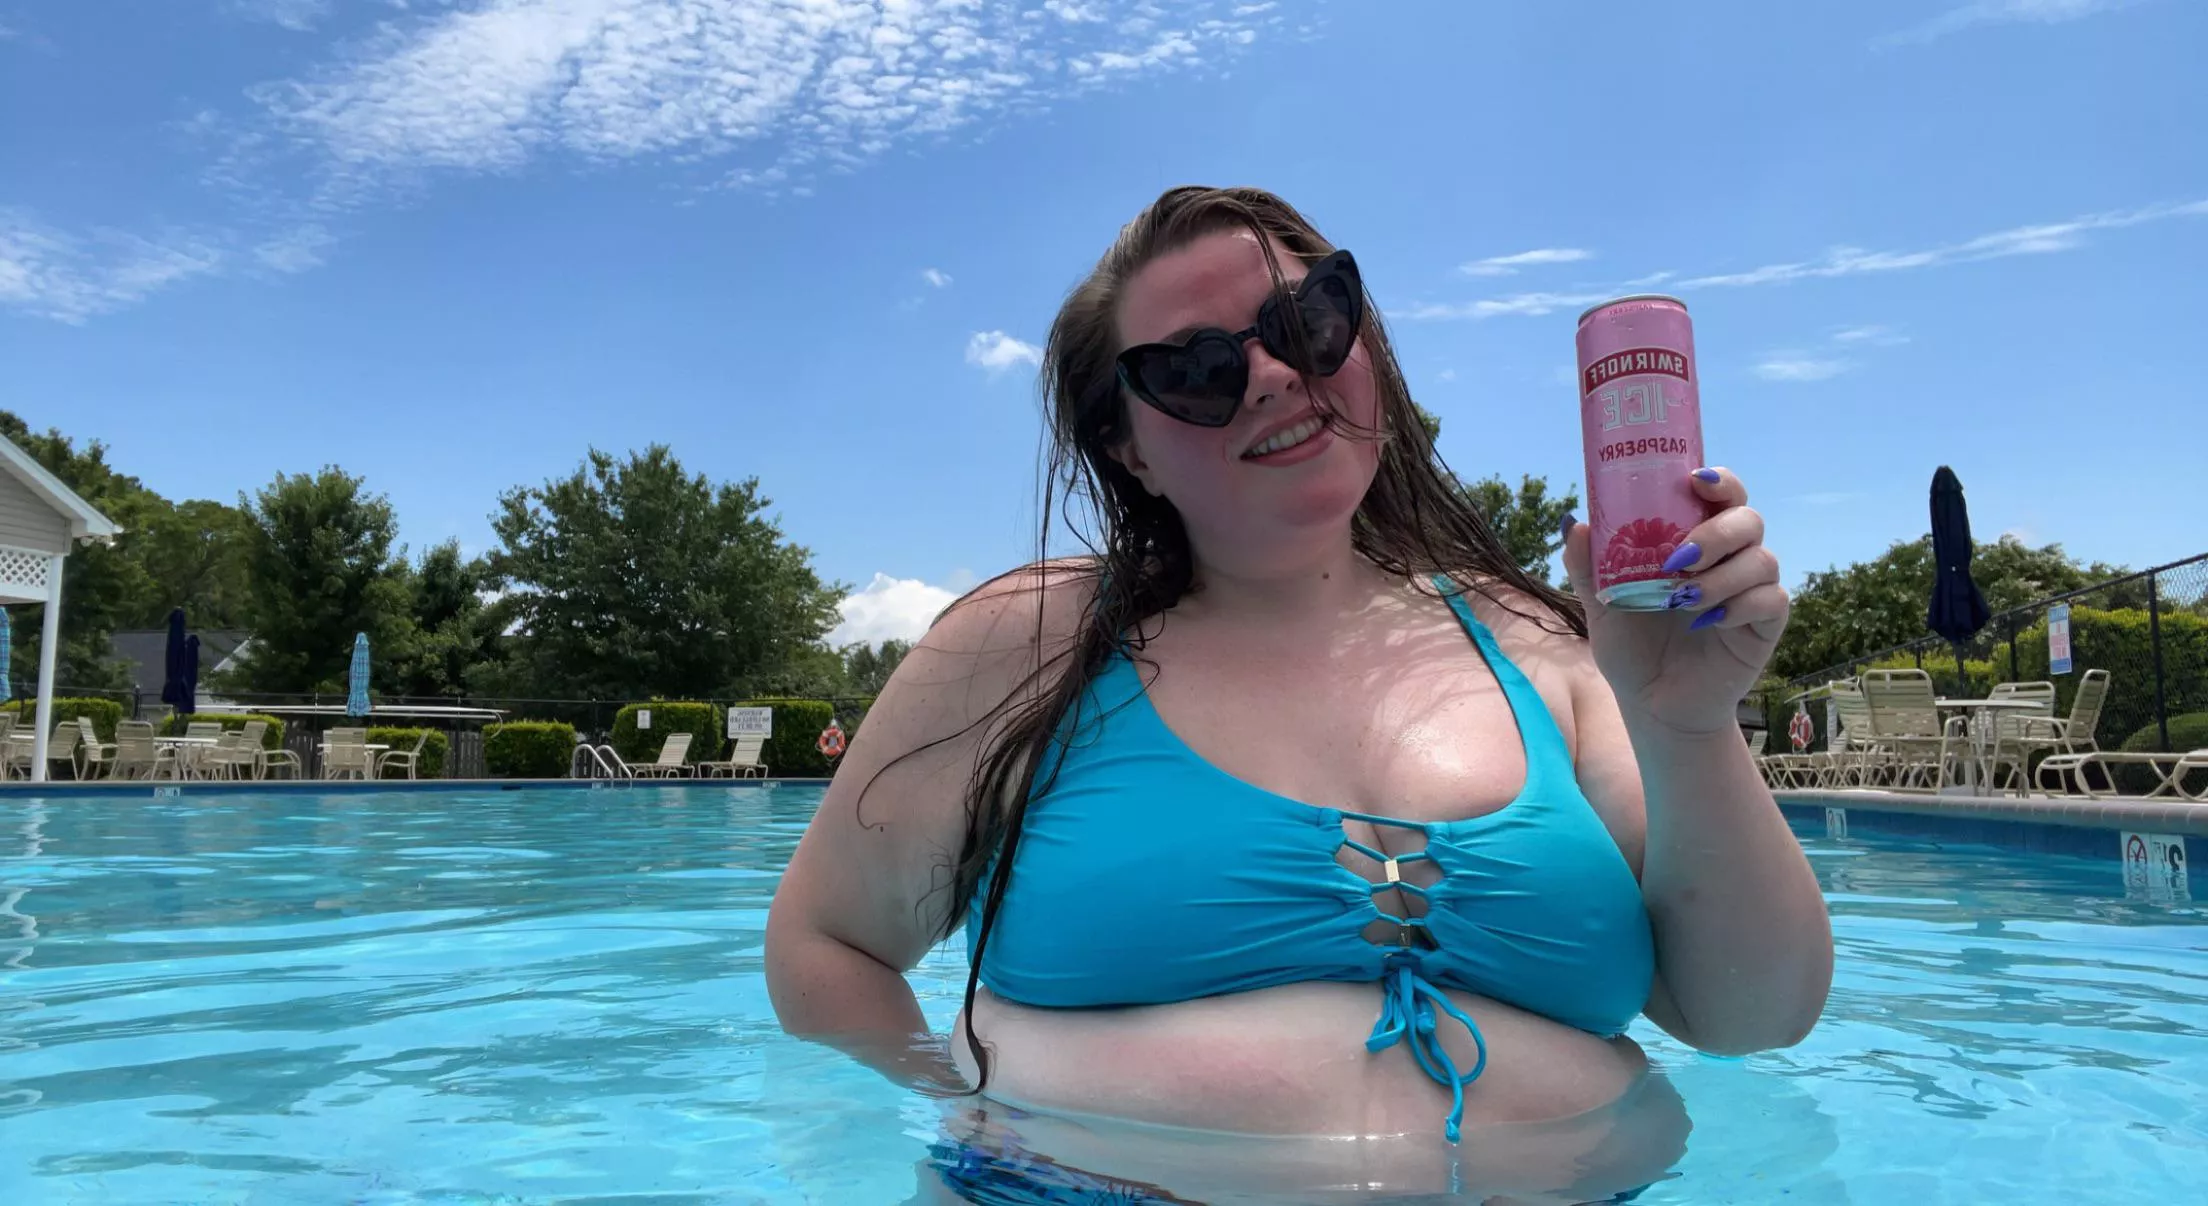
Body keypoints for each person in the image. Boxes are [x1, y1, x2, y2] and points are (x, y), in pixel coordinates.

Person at [766, 185, 1835, 1202]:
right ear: (1126, 447)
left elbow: (1751, 1014)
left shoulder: (1552, 648)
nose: (1273, 372)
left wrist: (1683, 725)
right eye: (1194, 369)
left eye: (1307, 318)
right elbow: (822, 946)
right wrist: (982, 1109)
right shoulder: (1027, 645)